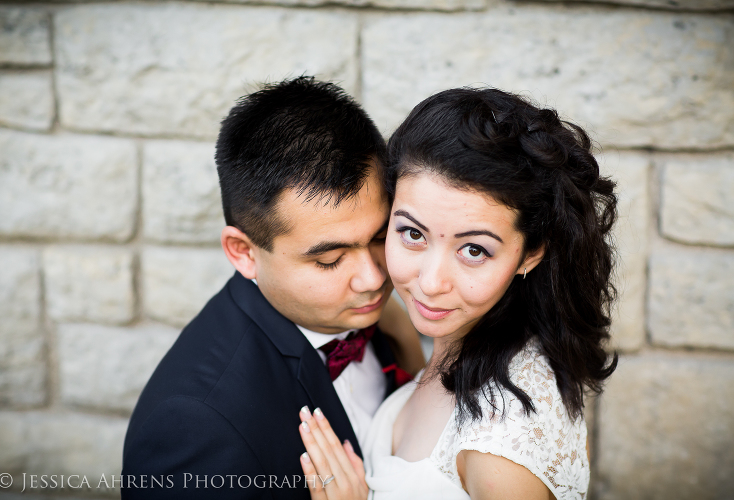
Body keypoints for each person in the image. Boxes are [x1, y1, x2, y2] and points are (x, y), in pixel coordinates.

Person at [296, 87, 619, 500]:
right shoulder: (460, 338)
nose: (431, 283)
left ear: (530, 253)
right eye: (412, 234)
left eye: (474, 250)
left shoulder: (501, 450)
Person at [122, 77, 424, 499]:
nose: (374, 279)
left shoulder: (385, 314)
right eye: (328, 259)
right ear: (244, 252)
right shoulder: (195, 427)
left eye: (380, 236)